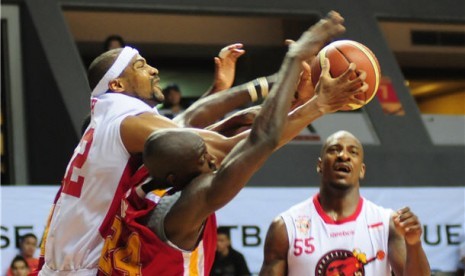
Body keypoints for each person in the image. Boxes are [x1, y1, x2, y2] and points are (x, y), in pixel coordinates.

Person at [96, 11, 370, 275]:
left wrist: (296, 99)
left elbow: (225, 126)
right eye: (206, 159)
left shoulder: (143, 178)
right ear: (175, 177)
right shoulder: (182, 211)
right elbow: (259, 142)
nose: (214, 161)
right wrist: (307, 85)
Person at [36, 43, 263, 275]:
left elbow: (179, 133)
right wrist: (289, 111)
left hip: (59, 265)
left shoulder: (106, 118)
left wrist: (218, 91)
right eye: (140, 66)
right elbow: (212, 147)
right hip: (81, 268)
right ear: (117, 84)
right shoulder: (128, 121)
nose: (153, 70)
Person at [259, 130, 431, 276]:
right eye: (334, 150)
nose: (343, 155)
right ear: (320, 165)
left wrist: (414, 243)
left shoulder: (387, 224)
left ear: (362, 170)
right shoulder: (286, 227)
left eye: (353, 152)